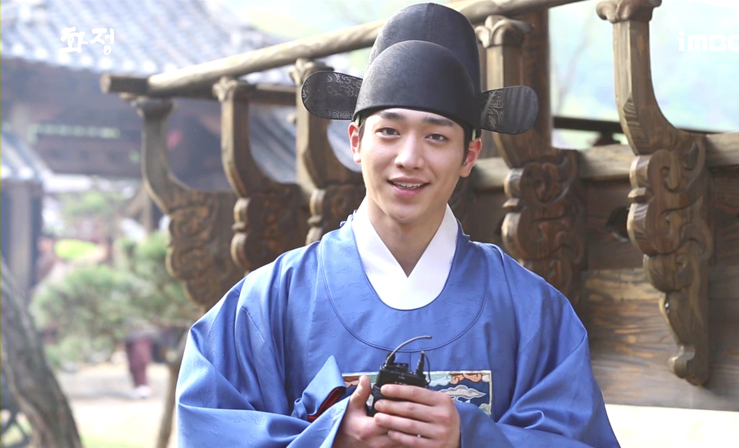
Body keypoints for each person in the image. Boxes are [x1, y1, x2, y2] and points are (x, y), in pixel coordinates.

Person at [176, 3, 619, 447]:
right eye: (389, 131)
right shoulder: (268, 303)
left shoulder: (532, 311)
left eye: (436, 136)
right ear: (356, 141)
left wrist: (470, 436)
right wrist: (329, 439)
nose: (409, 158)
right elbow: (209, 428)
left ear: (469, 156)